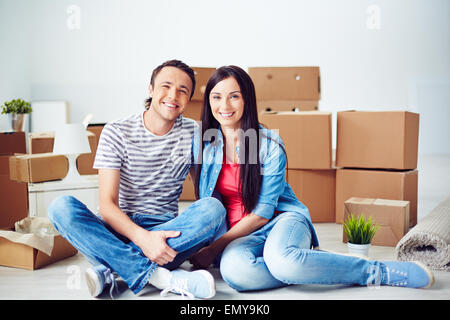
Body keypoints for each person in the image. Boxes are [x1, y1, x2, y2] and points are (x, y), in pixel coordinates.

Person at [188, 65, 435, 291]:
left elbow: (262, 213)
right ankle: (313, 263)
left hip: (280, 221)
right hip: (239, 236)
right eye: (216, 97)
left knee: (282, 261)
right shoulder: (204, 144)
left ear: (247, 100)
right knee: (237, 273)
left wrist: (214, 248)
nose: (225, 105)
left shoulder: (268, 144)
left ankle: (375, 271)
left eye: (234, 96)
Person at [48, 59, 226, 299]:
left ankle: (112, 269)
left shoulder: (195, 133)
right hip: (116, 230)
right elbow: (108, 206)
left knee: (213, 208)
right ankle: (162, 277)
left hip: (167, 233)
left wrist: (212, 247)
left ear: (188, 99)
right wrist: (144, 240)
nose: (173, 95)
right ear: (151, 89)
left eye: (183, 90)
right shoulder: (116, 131)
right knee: (61, 207)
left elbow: (205, 191)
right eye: (166, 86)